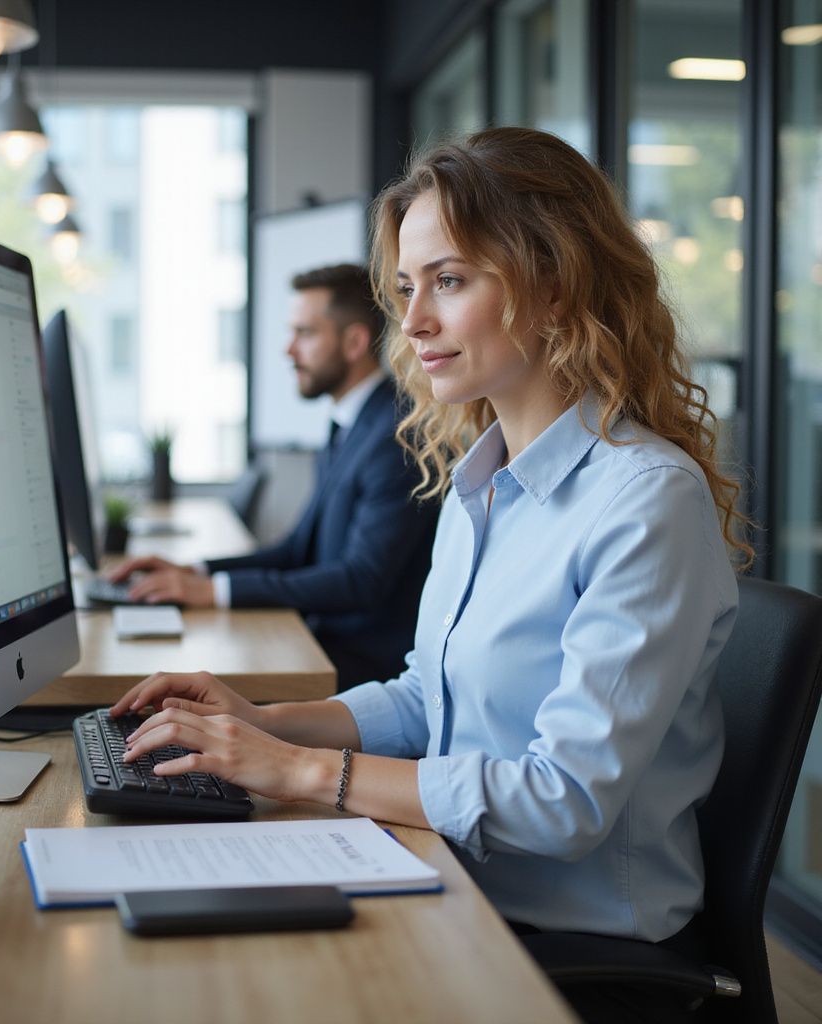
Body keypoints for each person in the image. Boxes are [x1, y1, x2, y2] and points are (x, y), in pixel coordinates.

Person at [110, 128, 752, 1022]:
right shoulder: (479, 484)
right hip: (457, 878)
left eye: (449, 281)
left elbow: (563, 804)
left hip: (575, 948)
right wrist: (257, 719)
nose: (411, 323)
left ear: (554, 282)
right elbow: (426, 701)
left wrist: (299, 771)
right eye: (409, 287)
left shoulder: (645, 503)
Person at [108, 263, 439, 690]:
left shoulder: (395, 435)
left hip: (363, 669)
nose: (288, 350)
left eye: (304, 333)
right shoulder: (352, 424)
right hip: (324, 645)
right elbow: (297, 549)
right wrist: (197, 572)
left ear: (354, 341)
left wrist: (215, 592)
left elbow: (362, 580)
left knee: (187, 681)